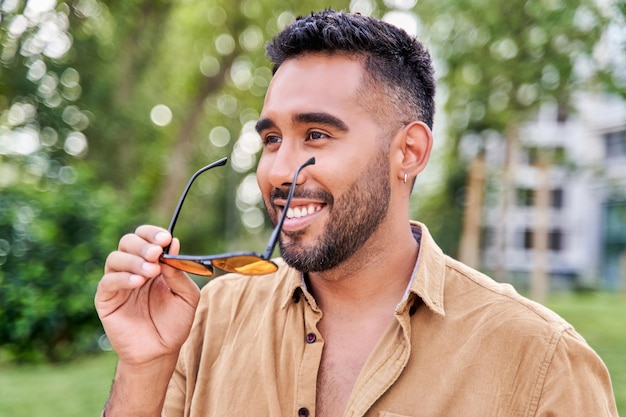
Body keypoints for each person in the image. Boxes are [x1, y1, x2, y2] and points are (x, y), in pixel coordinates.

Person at [95, 9, 619, 417]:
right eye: (272, 138)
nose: (279, 169)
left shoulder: (543, 362)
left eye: (316, 134)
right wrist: (145, 366)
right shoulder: (210, 317)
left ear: (408, 153)